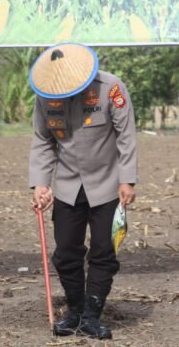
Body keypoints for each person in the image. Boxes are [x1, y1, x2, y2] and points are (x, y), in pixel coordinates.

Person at [29, 42, 137, 340]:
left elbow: (126, 135)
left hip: (108, 184)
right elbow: (42, 140)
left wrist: (127, 180)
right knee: (65, 253)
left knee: (104, 252)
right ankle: (74, 310)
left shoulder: (110, 87)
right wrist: (41, 183)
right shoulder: (45, 94)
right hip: (67, 185)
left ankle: (92, 314)